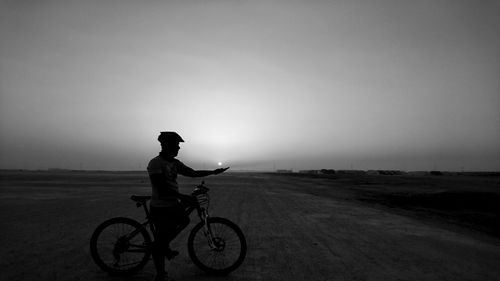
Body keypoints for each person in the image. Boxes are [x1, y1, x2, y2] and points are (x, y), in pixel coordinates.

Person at [147, 131, 229, 281]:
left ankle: (163, 245)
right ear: (167, 146)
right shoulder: (155, 163)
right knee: (159, 241)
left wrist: (213, 172)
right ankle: (160, 273)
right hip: (160, 207)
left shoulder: (174, 163)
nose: (179, 148)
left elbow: (192, 172)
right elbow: (161, 188)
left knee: (184, 220)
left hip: (172, 203)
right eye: (176, 145)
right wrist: (181, 197)